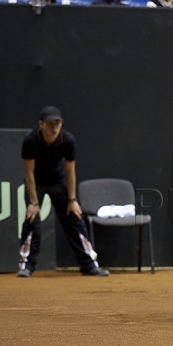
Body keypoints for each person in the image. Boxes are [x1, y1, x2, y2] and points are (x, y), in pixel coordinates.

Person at [18, 106, 109, 278]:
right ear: (41, 124)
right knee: (32, 219)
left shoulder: (67, 140)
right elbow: (29, 173)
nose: (54, 128)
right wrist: (34, 203)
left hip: (59, 181)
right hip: (37, 182)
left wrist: (72, 199)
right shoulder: (30, 140)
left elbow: (70, 172)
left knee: (74, 217)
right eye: (50, 124)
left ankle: (89, 265)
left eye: (58, 124)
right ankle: (26, 267)